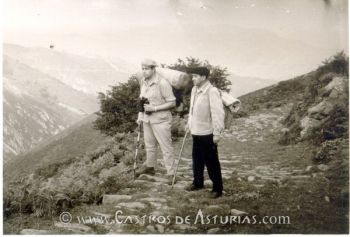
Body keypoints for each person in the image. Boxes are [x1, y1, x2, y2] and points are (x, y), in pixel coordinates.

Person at [185, 67, 225, 198]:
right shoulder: (194, 90)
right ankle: (198, 183)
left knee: (211, 161)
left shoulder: (212, 91)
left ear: (203, 77)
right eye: (193, 76)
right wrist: (189, 123)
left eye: (195, 76)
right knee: (197, 159)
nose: (193, 78)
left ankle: (217, 188)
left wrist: (217, 133)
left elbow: (218, 113)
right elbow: (191, 110)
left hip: (208, 133)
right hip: (196, 131)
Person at [135, 59, 176, 181]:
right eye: (142, 68)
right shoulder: (143, 81)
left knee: (166, 147)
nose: (144, 71)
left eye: (147, 69)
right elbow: (142, 100)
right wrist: (140, 116)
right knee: (150, 145)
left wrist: (155, 108)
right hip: (147, 119)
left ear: (153, 69)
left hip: (161, 120)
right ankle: (150, 167)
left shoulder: (162, 83)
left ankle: (171, 173)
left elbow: (172, 103)